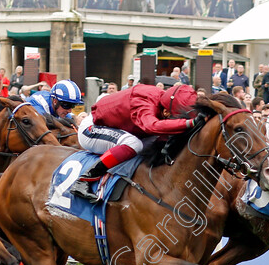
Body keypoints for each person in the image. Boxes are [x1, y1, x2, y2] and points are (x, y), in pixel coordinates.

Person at [69, 84, 201, 202]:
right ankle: (85, 179)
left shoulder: (164, 102)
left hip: (120, 128)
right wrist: (189, 123)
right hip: (91, 128)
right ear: (166, 111)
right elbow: (151, 126)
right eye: (176, 117)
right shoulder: (144, 102)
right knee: (134, 144)